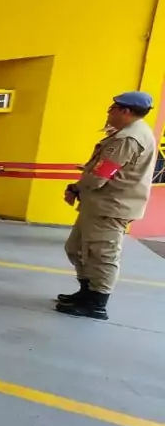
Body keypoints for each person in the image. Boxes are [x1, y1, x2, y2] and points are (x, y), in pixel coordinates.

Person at [56, 91, 158, 320]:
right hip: (99, 205)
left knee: (102, 254)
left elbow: (100, 176)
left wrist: (77, 187)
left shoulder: (128, 139)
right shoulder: (127, 134)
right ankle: (86, 293)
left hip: (111, 207)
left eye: (112, 108)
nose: (109, 112)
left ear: (125, 111)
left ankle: (97, 303)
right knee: (77, 249)